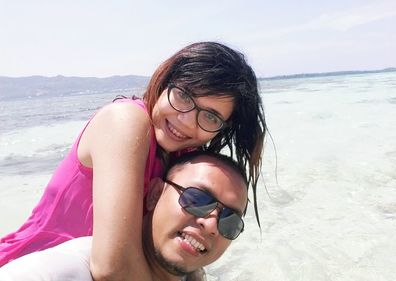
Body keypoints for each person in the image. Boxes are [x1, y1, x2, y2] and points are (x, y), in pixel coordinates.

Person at [0, 42, 267, 281]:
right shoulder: (125, 121)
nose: (186, 120)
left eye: (210, 117)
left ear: (222, 128)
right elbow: (112, 267)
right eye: (184, 96)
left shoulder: (182, 157)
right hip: (34, 266)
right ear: (164, 83)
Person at [0, 151, 249, 281]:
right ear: (153, 194)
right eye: (197, 199)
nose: (212, 224)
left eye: (230, 220)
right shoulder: (66, 269)